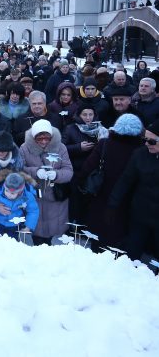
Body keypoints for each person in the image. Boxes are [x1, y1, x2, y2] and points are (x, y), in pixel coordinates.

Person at [79, 114, 144, 251]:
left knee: (100, 235)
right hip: (128, 200)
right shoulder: (141, 150)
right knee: (121, 238)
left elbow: (87, 167)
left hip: (101, 195)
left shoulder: (105, 144)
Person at [108, 120, 159, 261]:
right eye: (145, 139)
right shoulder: (140, 154)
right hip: (141, 212)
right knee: (132, 251)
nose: (147, 144)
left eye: (152, 141)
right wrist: (113, 203)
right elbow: (126, 179)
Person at [20, 119, 73, 245]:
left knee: (53, 231)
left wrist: (56, 174)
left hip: (55, 197)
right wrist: (35, 171)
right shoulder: (24, 148)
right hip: (34, 196)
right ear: (33, 138)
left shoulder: (61, 147)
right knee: (37, 232)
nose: (43, 142)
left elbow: (69, 171)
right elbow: (18, 169)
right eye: (39, 139)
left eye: (47, 138)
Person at [62, 104, 109, 222]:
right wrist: (78, 147)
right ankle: (74, 226)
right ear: (79, 115)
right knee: (76, 201)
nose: (88, 118)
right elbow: (61, 148)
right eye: (85, 114)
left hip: (94, 172)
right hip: (76, 170)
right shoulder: (71, 128)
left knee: (91, 201)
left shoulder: (101, 129)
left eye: (90, 114)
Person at [0, 172, 39, 245]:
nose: (8, 195)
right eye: (6, 191)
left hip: (14, 225)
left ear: (19, 192)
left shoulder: (27, 196)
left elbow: (33, 211)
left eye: (12, 193)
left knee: (12, 244)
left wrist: (28, 226)